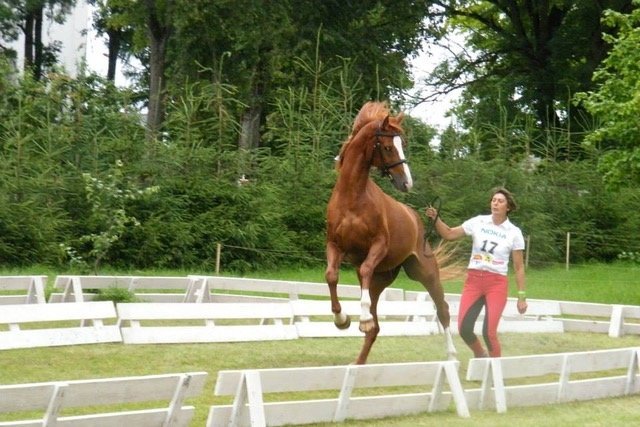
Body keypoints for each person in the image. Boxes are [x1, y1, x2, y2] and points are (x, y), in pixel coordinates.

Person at [425, 187, 527, 358]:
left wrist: (522, 296)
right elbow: (449, 234)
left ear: (507, 207)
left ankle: (495, 372)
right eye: (493, 200)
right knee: (464, 328)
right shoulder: (478, 222)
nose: (495, 203)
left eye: (500, 201)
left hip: (496, 283)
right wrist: (436, 219)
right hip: (474, 281)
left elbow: (519, 267)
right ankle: (480, 355)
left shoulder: (514, 233)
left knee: (489, 332)